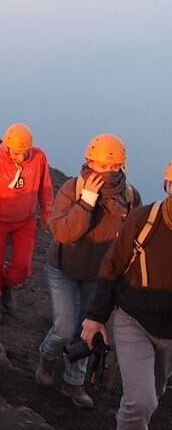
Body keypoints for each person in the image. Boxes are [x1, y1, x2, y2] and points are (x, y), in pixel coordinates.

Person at [36, 134, 140, 408]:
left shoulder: (129, 198)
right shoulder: (72, 190)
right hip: (65, 269)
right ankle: (48, 357)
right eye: (103, 166)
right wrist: (87, 202)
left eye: (114, 167)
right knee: (65, 326)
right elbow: (64, 232)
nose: (108, 172)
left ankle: (74, 382)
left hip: (99, 276)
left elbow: (133, 240)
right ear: (89, 162)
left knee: (89, 330)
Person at [80, 160, 172, 430]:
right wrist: (95, 318)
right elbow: (113, 266)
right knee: (141, 401)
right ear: (167, 186)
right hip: (134, 321)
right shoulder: (144, 220)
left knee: (153, 396)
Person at [0, 123, 53, 322]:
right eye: (16, 153)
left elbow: (45, 185)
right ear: (7, 147)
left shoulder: (38, 158)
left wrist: (46, 213)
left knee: (23, 267)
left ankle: (6, 285)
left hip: (25, 220)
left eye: (24, 152)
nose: (21, 157)